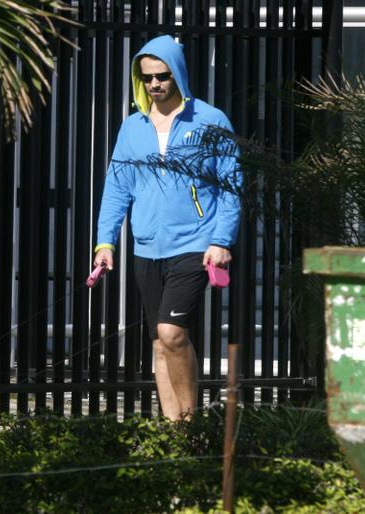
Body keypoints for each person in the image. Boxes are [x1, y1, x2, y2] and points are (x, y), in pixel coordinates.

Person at [94, 35, 241, 421]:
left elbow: (231, 185)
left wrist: (221, 240)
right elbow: (116, 188)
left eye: (162, 76)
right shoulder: (132, 128)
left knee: (173, 332)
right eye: (147, 78)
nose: (155, 84)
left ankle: (192, 424)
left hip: (195, 243)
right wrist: (104, 243)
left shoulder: (210, 120)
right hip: (147, 246)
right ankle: (174, 431)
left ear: (178, 74)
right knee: (160, 343)